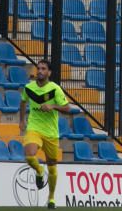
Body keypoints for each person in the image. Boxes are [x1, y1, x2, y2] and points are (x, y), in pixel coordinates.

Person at [20, 59, 71, 209]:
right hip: (34, 128)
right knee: (30, 156)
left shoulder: (55, 89)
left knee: (53, 168)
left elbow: (67, 108)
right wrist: (22, 120)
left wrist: (53, 106)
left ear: (49, 73)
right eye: (38, 68)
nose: (40, 71)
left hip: (51, 133)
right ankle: (39, 171)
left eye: (43, 69)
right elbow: (23, 102)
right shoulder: (29, 88)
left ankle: (51, 197)